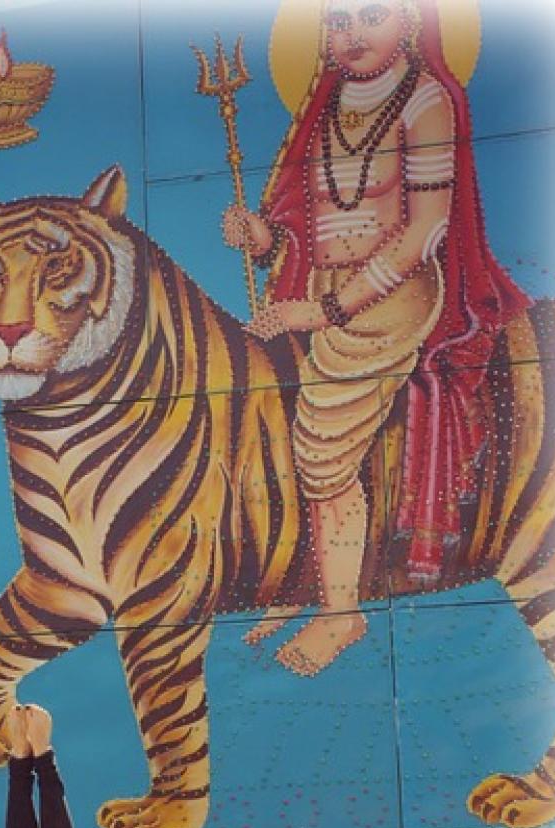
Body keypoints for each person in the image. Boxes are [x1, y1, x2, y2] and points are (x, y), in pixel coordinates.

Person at [222, 0, 529, 675]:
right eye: (337, 21)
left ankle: (342, 612)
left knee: (321, 449)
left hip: (395, 295)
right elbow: (311, 221)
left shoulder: (425, 102)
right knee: (265, 406)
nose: (352, 33)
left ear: (411, 21)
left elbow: (424, 234)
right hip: (324, 291)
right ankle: (308, 580)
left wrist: (325, 312)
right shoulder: (330, 107)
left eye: (371, 15)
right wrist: (264, 236)